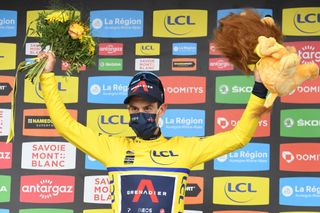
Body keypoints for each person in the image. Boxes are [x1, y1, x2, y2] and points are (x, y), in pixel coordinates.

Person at [39, 51, 268, 213]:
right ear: (128, 110)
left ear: (162, 109)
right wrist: (47, 75)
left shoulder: (183, 149)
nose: (141, 114)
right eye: (134, 109)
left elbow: (239, 136)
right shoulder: (113, 148)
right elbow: (64, 125)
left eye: (148, 108)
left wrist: (259, 87)